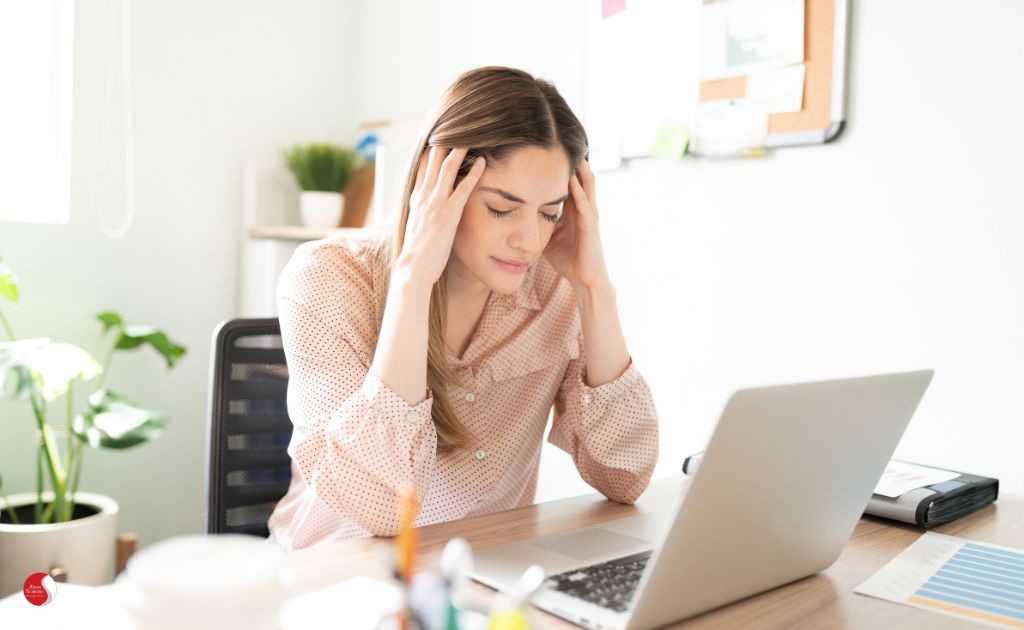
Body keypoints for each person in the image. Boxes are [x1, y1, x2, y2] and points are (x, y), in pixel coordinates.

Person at [268, 66, 659, 550]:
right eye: (501, 207)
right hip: (337, 578)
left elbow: (627, 475)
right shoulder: (327, 279)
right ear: (438, 184)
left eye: (549, 213)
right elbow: (381, 509)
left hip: (482, 582)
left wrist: (594, 287)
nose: (529, 240)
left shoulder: (558, 291)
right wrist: (413, 282)